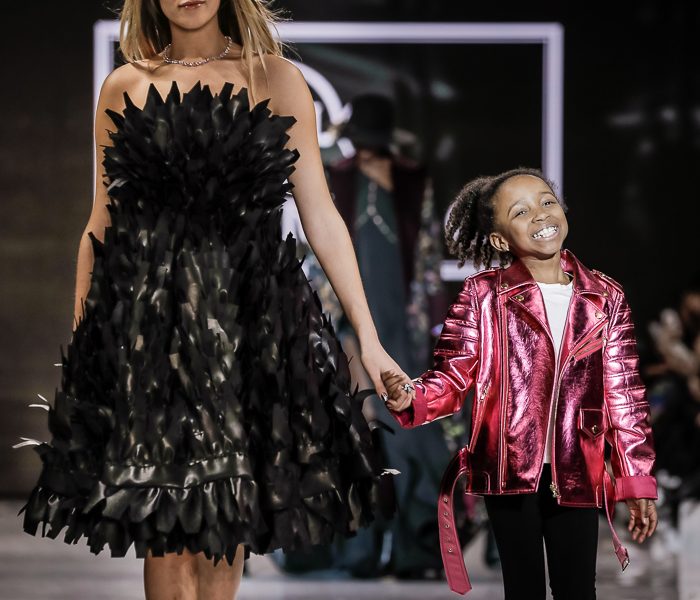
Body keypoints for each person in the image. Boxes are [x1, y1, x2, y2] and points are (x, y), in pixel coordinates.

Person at [18, 1, 407, 599]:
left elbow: (322, 216)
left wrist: (371, 341)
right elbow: (102, 220)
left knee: (224, 517)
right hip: (154, 331)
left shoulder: (276, 78)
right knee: (168, 524)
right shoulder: (124, 86)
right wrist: (84, 339)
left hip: (249, 327)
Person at [382, 168, 659, 599]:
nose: (540, 215)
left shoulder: (606, 297)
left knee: (577, 589)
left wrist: (635, 478)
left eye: (547, 202)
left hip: (578, 465)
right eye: (521, 211)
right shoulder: (483, 295)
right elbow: (454, 373)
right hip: (507, 466)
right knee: (523, 588)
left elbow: (623, 393)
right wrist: (412, 397)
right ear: (499, 240)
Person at [326, 93, 452, 578]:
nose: (366, 151)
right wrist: (337, 334)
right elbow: (321, 262)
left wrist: (433, 334)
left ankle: (417, 551)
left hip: (406, 327)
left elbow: (427, 261)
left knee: (414, 436)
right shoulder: (336, 179)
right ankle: (359, 551)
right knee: (358, 431)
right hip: (351, 326)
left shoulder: (415, 181)